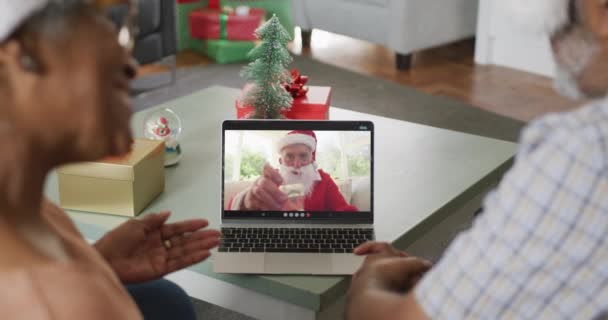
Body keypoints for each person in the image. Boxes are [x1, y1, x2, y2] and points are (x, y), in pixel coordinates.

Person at [346, 0, 608, 319]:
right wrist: (448, 281)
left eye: (559, 22)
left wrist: (367, 283)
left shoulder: (581, 154)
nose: (553, 42)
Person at [0, 1, 220, 319]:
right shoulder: (61, 304)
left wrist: (96, 263)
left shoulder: (32, 209)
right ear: (17, 58)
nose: (129, 65)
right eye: (104, 19)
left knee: (167, 300)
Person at [228, 130, 358, 212]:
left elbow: (344, 210)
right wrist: (245, 202)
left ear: (312, 159)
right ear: (280, 161)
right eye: (289, 156)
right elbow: (232, 205)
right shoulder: (272, 178)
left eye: (303, 156)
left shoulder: (323, 180)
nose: (297, 164)